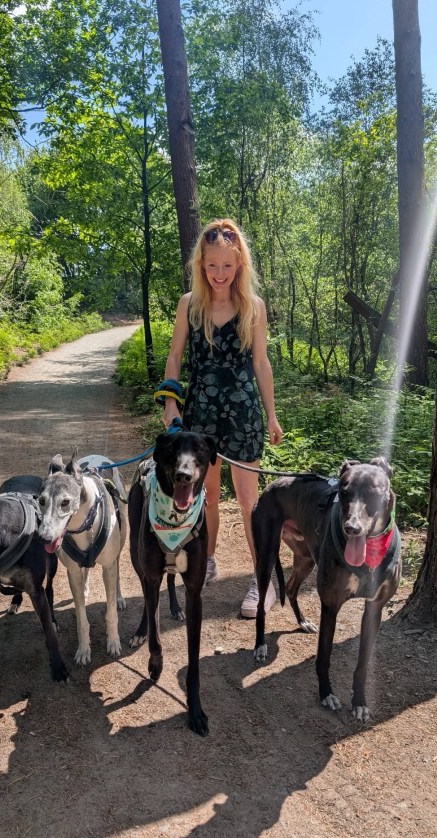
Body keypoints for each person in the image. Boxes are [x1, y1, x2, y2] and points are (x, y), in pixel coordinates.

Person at [162, 218, 283, 618]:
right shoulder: (189, 305)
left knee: (249, 501)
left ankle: (263, 580)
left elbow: (261, 363)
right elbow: (175, 356)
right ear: (201, 263)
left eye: (227, 265)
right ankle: (207, 560)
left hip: (243, 413)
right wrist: (170, 403)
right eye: (212, 265)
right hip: (199, 415)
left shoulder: (253, 307)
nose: (219, 273)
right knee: (207, 496)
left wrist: (272, 415)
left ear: (239, 264)